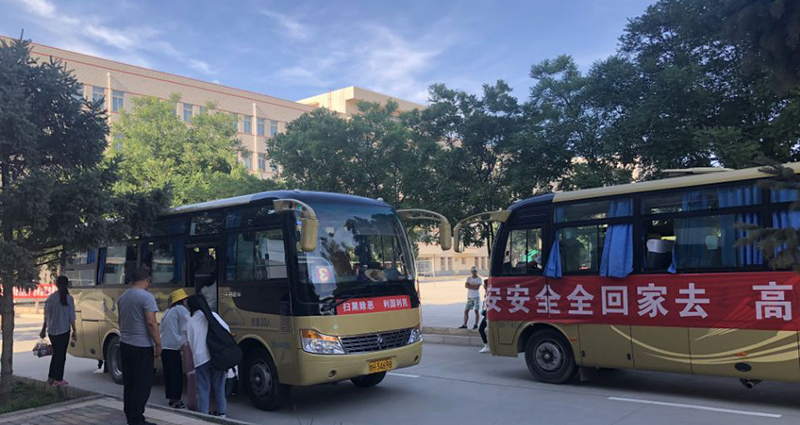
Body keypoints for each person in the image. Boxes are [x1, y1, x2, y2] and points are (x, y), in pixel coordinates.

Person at [118, 268, 161, 425]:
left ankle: (130, 416)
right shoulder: (147, 297)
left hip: (125, 344)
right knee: (142, 383)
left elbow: (120, 321)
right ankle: (137, 419)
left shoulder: (123, 297)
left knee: (130, 383)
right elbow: (151, 322)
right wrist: (158, 343)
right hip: (141, 346)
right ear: (147, 279)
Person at [186, 295, 230, 417]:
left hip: (201, 359)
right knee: (219, 388)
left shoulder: (191, 322)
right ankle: (222, 414)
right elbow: (226, 330)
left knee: (203, 389)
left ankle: (203, 416)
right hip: (217, 357)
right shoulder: (214, 315)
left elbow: (191, 342)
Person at [40, 276, 76, 386]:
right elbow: (71, 317)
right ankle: (58, 379)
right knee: (61, 355)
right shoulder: (69, 299)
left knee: (56, 354)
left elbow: (46, 316)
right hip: (64, 330)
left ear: (56, 284)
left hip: (52, 331)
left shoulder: (51, 298)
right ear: (67, 285)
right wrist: (75, 331)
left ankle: (51, 377)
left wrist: (43, 329)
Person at [160, 288, 190, 409]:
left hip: (164, 347)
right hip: (173, 347)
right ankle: (177, 400)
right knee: (176, 375)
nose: (186, 302)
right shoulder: (181, 309)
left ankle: (171, 398)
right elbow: (188, 324)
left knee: (169, 374)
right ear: (182, 300)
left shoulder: (168, 311)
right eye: (185, 299)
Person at [478, 279, 490, 353]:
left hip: (488, 315)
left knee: (481, 329)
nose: (483, 285)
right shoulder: (486, 293)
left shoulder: (489, 294)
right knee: (482, 329)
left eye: (484, 284)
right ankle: (487, 345)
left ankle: (487, 346)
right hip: (486, 314)